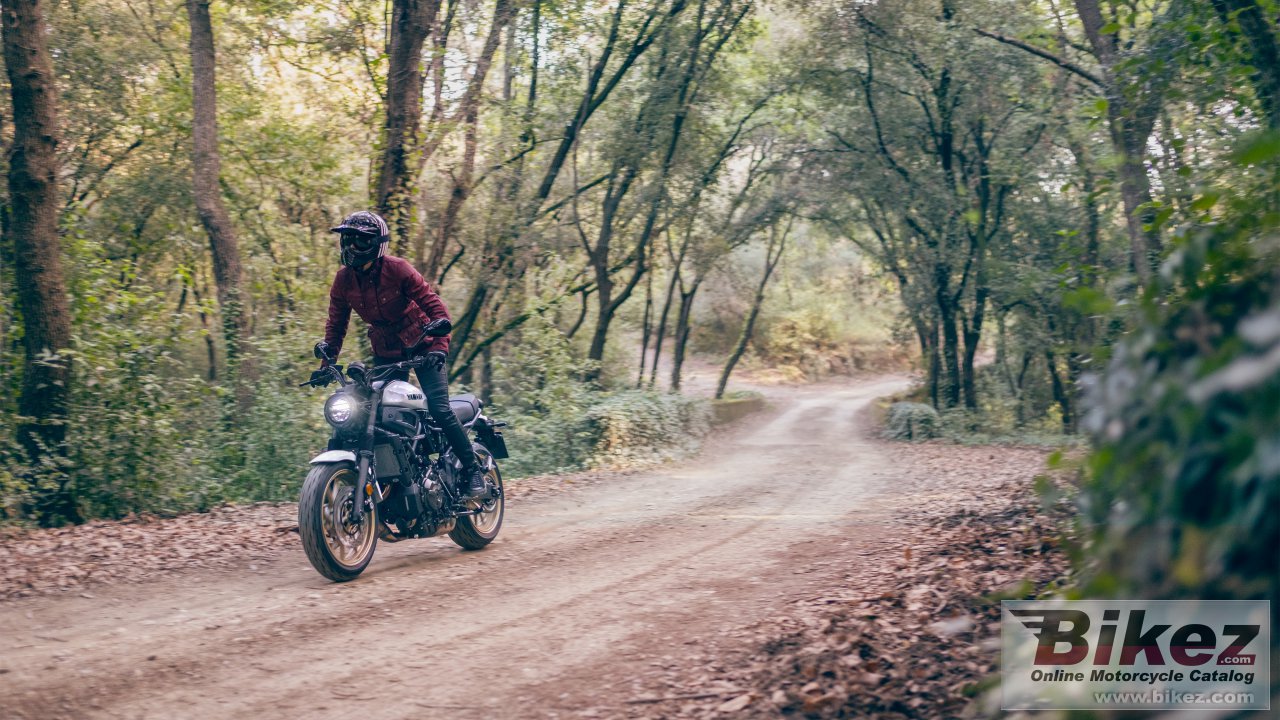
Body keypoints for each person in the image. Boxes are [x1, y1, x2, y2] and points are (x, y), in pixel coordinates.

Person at [313, 210, 486, 499]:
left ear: (375, 243)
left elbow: (435, 307)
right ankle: (396, 479)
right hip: (386, 350)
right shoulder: (343, 280)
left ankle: (472, 470)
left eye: (358, 241)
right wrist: (325, 363)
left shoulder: (397, 269)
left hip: (424, 343)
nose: (349, 247)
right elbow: (336, 325)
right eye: (346, 240)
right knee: (377, 411)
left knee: (439, 409)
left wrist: (439, 348)